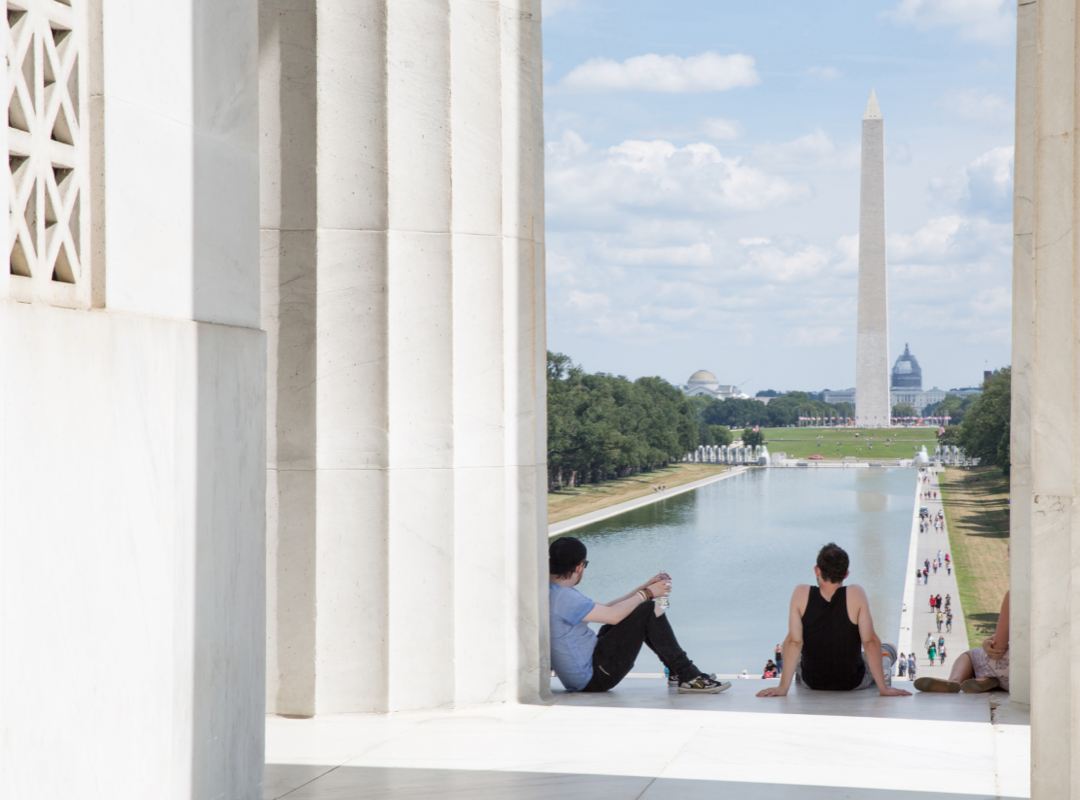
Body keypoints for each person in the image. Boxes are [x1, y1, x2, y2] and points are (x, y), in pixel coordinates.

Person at [548, 536, 729, 694]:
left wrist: (644, 588)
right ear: (580, 567)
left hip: (587, 670)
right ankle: (688, 675)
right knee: (648, 609)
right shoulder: (564, 597)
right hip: (594, 677)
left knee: (637, 610)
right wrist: (647, 594)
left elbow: (607, 608)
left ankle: (677, 671)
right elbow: (614, 616)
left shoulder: (555, 592)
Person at [757, 543, 910, 698]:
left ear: (817, 570)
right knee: (888, 648)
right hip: (852, 682)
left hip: (812, 682)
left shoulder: (800, 593)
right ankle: (883, 673)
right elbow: (869, 641)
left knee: (787, 646)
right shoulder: (856, 593)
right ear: (846, 574)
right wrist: (883, 689)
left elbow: (794, 642)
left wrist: (782, 688)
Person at [916, 591, 1010, 693]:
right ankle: (986, 681)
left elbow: (998, 647)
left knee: (970, 656)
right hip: (1026, 682)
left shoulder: (1015, 595)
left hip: (1010, 674)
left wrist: (987, 642)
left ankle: (955, 680)